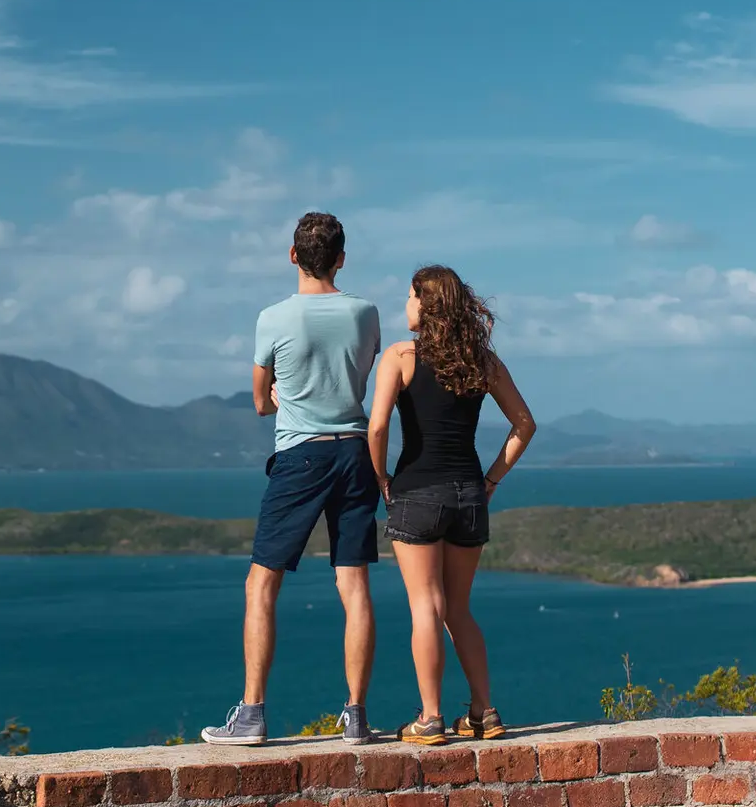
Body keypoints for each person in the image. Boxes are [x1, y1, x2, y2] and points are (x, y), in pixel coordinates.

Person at [202, 212, 384, 747]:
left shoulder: (273, 318)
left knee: (262, 583)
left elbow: (261, 400)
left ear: (291, 255)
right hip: (353, 452)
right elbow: (357, 375)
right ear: (341, 258)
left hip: (300, 455)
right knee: (354, 585)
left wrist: (281, 397)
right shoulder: (366, 314)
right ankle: (356, 715)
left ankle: (253, 714)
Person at [366, 264, 536, 746]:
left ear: (425, 302)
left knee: (426, 605)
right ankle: (485, 711)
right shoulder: (482, 360)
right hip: (468, 495)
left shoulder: (401, 356)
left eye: (409, 296)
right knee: (458, 608)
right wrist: (491, 480)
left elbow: (376, 428)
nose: (405, 306)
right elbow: (525, 425)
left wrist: (381, 478)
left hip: (417, 493)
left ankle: (431, 717)